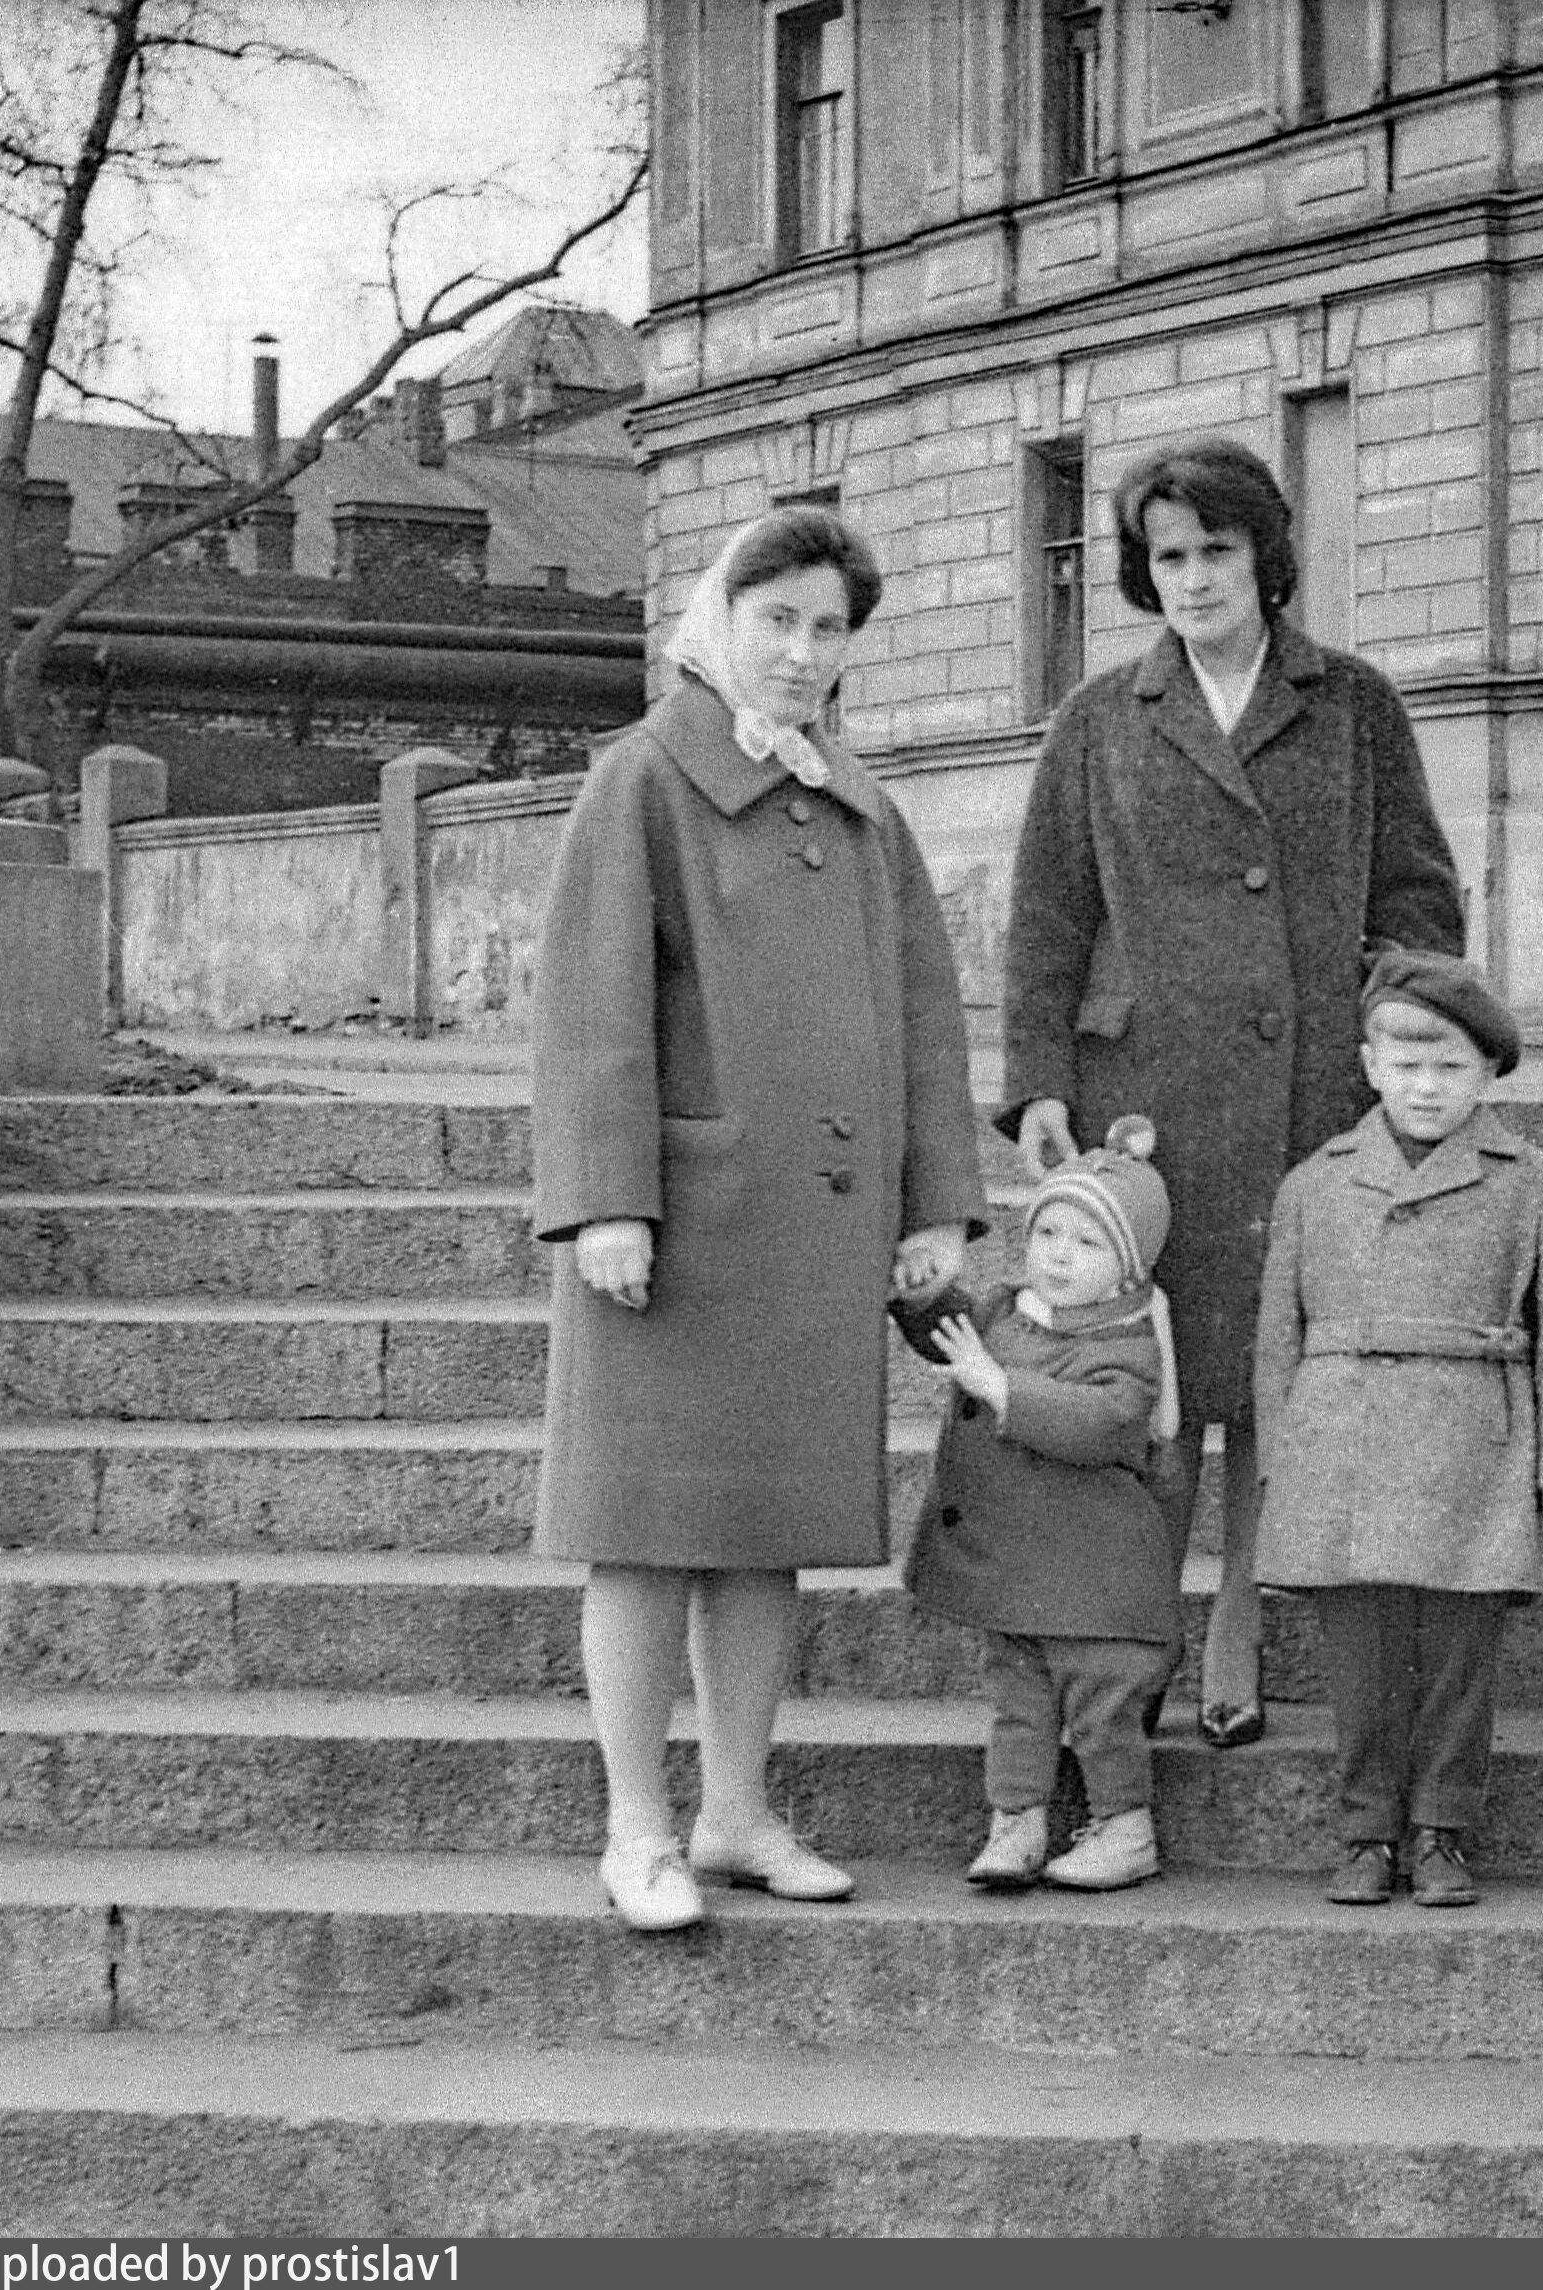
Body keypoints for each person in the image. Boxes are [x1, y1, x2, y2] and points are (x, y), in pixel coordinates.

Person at [531, 506, 987, 1933]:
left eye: (826, 627)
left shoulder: (858, 806)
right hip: (674, 1230)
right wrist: (605, 1200)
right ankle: (636, 1827)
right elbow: (590, 1005)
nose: (800, 651)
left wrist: (936, 1205)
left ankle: (733, 1812)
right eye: (775, 619)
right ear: (716, 621)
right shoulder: (641, 778)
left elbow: (923, 1015)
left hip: (812, 1232)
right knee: (641, 1528)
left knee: (761, 1532)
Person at [1001, 435, 1464, 1750]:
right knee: (1145, 1368)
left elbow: (1418, 897)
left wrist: (1399, 1048)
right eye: (1167, 556)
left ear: (1266, 556)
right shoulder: (1100, 718)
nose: (1193, 578)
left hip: (1309, 1089)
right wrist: (1036, 1084)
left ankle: (1239, 1624)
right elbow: (1047, 915)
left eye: (1216, 549)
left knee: (1269, 1369)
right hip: (1142, 1094)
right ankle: (1133, 1628)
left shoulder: (1354, 705)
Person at [1252, 949, 1543, 1909]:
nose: (1426, 1087)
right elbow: (1278, 1338)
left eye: (1451, 1067)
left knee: (1460, 1650)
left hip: (1476, 1442)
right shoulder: (1314, 1184)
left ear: (1488, 1073)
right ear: (1369, 1065)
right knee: (1359, 1653)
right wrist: (1282, 1462)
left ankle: (1443, 1830)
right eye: (1405, 1065)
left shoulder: (1540, 1186)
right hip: (1341, 1440)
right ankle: (1366, 1830)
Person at [895, 1118, 1186, 1894]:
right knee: (1018, 1703)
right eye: (1048, 1232)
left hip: (1098, 1583)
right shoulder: (1004, 1311)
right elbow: (949, 1333)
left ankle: (1124, 1828)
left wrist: (1000, 1386)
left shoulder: (1128, 1344)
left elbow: (1101, 1424)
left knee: (1102, 1710)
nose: (1058, 1254)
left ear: (1128, 1272)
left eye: (1088, 1243)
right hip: (1016, 1570)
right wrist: (920, 1296)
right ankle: (1016, 1821)